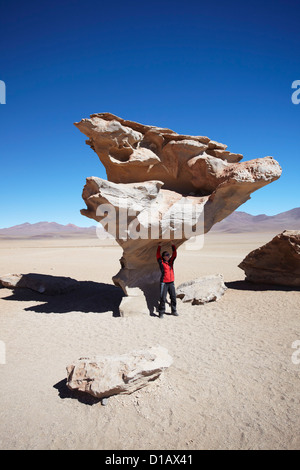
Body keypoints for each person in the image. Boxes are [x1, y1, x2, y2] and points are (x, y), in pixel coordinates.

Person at [156, 243, 179, 318]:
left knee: (173, 297)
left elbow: (175, 255)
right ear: (163, 256)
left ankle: (174, 311)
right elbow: (158, 256)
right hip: (164, 283)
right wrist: (159, 246)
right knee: (162, 298)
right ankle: (161, 312)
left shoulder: (170, 262)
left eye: (168, 254)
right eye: (166, 255)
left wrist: (173, 246)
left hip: (171, 283)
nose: (168, 256)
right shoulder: (161, 263)